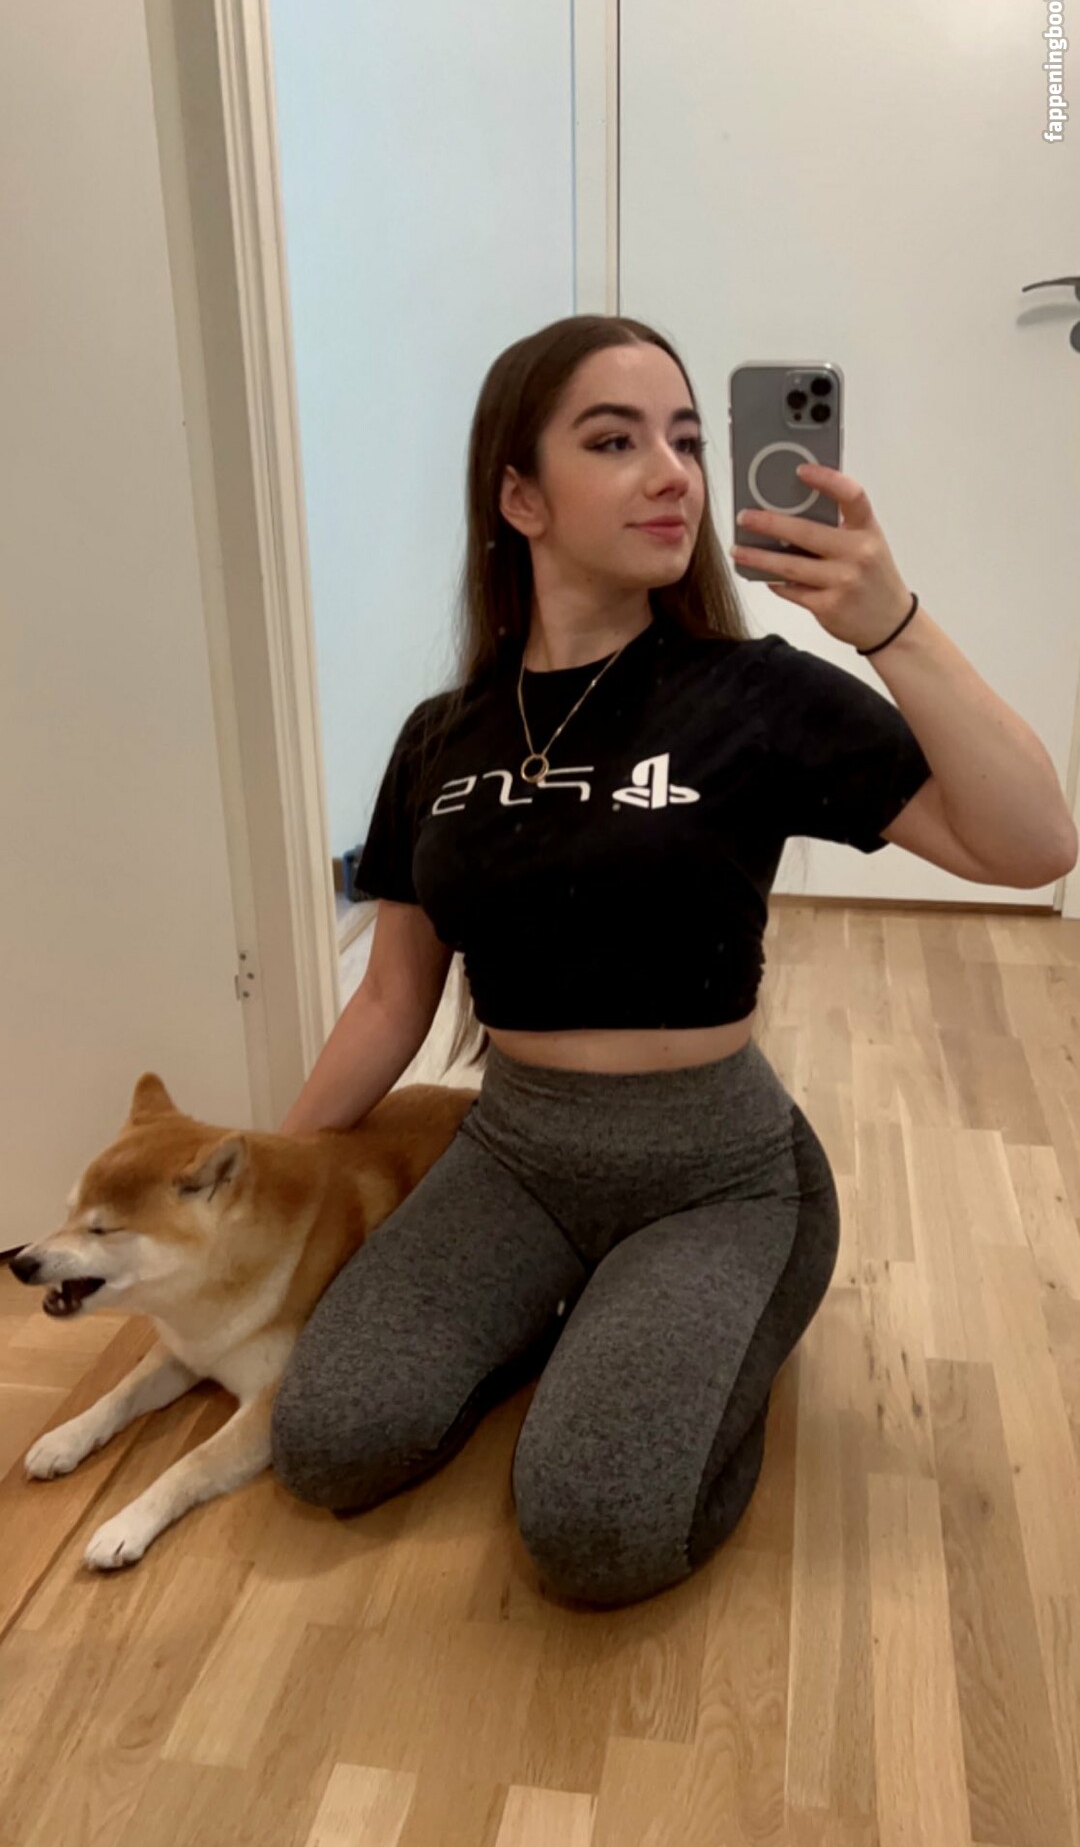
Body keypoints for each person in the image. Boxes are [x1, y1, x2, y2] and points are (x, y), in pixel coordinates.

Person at [268, 313, 935, 1609]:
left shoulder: (754, 693)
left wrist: (889, 622)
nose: (673, 472)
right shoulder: (441, 736)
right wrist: (274, 1178)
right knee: (329, 1441)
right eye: (616, 441)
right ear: (521, 497)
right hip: (517, 1160)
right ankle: (587, 1319)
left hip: (718, 1179)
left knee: (594, 1530)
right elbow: (393, 997)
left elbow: (1034, 844)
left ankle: (693, 1333)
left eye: (687, 440)